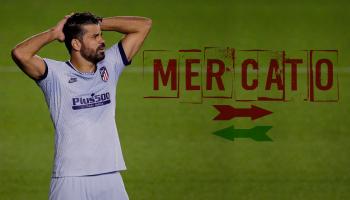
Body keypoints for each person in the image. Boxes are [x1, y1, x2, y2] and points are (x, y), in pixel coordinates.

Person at [11, 12, 152, 200]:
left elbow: (144, 25)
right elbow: (20, 53)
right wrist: (54, 34)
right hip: (70, 178)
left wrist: (98, 24)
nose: (102, 40)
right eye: (95, 37)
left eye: (101, 35)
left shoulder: (110, 64)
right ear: (76, 44)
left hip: (110, 176)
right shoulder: (55, 74)